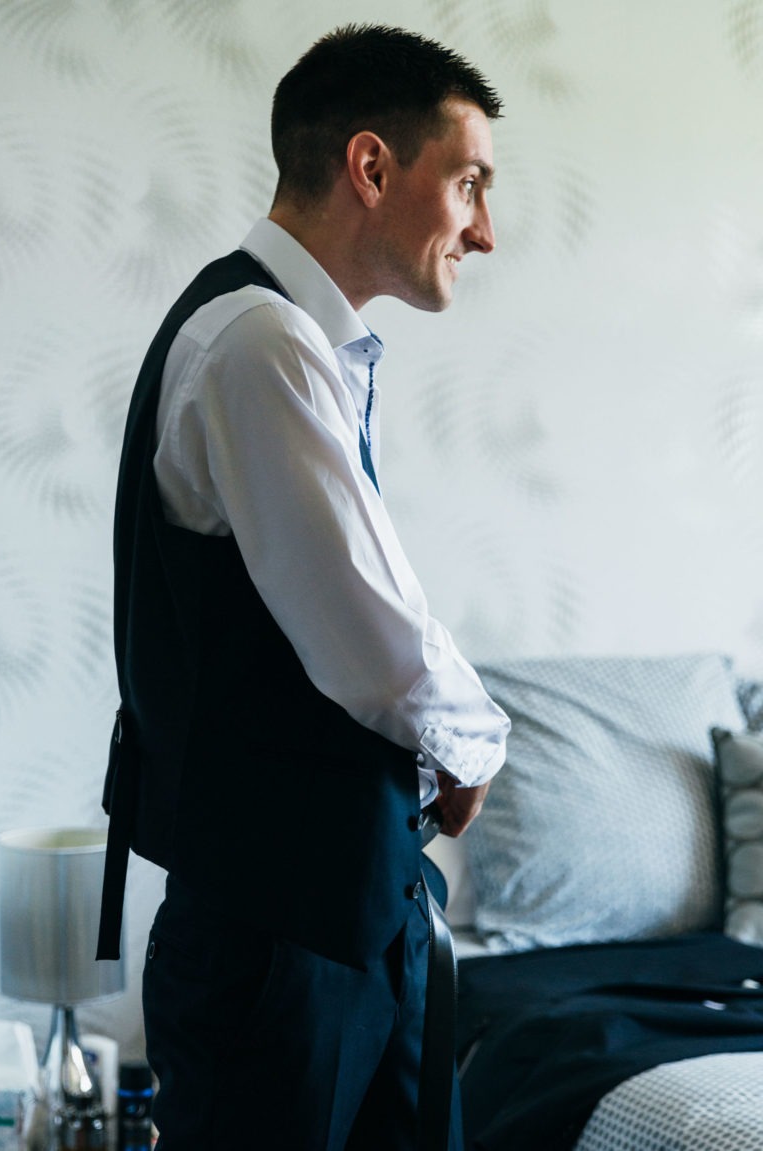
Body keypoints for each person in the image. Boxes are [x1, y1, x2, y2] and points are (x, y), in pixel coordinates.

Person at [98, 23, 510, 1151]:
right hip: (278, 955)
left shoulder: (298, 348)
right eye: (468, 183)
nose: (485, 229)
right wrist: (475, 743)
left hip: (352, 920)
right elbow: (373, 640)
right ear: (373, 168)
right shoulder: (257, 345)